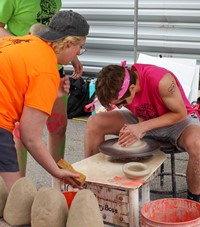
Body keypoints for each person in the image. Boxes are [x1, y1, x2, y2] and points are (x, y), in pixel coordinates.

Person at [0, 10, 90, 191]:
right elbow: (30, 136)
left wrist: (51, 93)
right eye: (78, 47)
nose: (78, 53)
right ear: (68, 43)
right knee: (16, 200)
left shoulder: (26, 41)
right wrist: (56, 171)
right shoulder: (46, 69)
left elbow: (17, 81)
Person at [84, 62, 200, 202]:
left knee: (197, 145)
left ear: (132, 88)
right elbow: (136, 112)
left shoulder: (162, 80)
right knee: (94, 122)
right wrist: (138, 125)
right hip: (144, 118)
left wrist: (142, 127)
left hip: (177, 121)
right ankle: (93, 189)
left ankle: (194, 202)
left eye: (121, 103)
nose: (119, 107)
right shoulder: (121, 81)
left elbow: (180, 113)